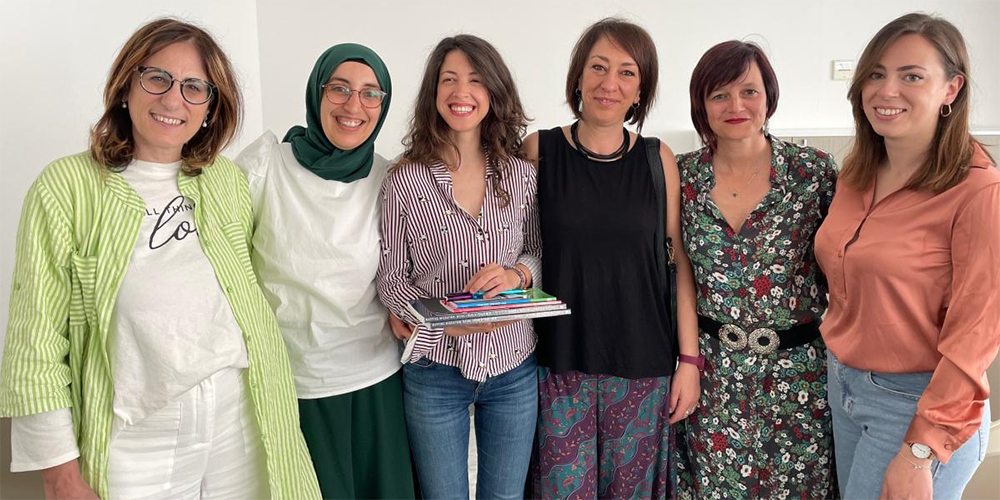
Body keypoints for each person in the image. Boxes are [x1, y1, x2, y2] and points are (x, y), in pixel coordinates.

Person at [0, 18, 320, 499]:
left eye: (195, 88)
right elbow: (36, 340)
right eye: (157, 78)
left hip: (240, 418)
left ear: (212, 107)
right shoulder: (66, 188)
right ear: (126, 86)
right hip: (134, 438)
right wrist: (60, 474)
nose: (174, 100)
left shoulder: (225, 182)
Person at [815, 12, 998, 500]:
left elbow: (975, 337)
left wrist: (921, 449)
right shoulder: (858, 172)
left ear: (951, 89)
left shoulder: (979, 191)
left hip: (918, 407)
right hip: (846, 386)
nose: (886, 90)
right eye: (876, 74)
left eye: (911, 76)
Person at [520, 18, 699, 499]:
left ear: (641, 90)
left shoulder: (657, 159)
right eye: (598, 67)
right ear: (578, 77)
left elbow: (679, 264)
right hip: (558, 361)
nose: (609, 83)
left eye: (627, 72)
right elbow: (515, 248)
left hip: (643, 364)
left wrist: (689, 360)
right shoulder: (540, 151)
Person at [235, 43, 415, 500]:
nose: (354, 105)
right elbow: (222, 267)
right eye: (340, 88)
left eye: (371, 94)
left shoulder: (391, 179)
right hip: (291, 383)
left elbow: (412, 268)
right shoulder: (264, 167)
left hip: (374, 381)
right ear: (317, 92)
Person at [671, 40, 838, 499]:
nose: (735, 106)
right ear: (701, 106)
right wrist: (687, 360)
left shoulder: (813, 173)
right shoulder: (681, 177)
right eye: (718, 95)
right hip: (712, 371)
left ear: (769, 96)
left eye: (749, 91)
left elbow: (844, 270)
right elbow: (679, 270)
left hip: (800, 374)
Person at [376, 34, 539, 500]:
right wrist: (444, 320)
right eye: (448, 79)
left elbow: (538, 253)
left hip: (513, 367)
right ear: (433, 93)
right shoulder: (404, 178)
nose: (460, 92)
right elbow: (390, 278)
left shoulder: (520, 174)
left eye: (474, 80)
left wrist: (517, 276)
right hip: (435, 372)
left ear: (493, 91)